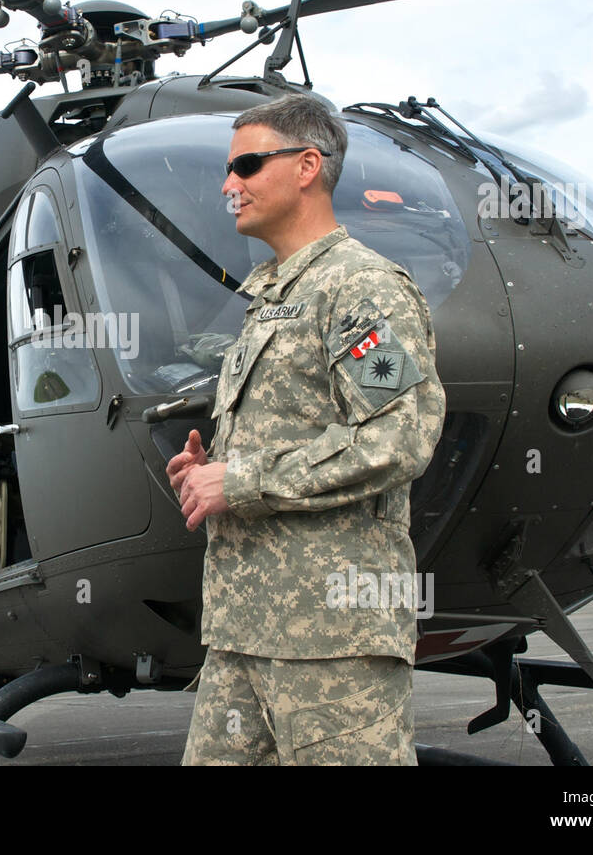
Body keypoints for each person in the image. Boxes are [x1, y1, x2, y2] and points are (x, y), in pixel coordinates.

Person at [167, 93, 446, 765]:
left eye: (248, 164)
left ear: (307, 166)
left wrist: (241, 479)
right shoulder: (271, 298)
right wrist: (210, 469)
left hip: (332, 640)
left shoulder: (360, 290)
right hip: (242, 632)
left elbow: (396, 436)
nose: (229, 185)